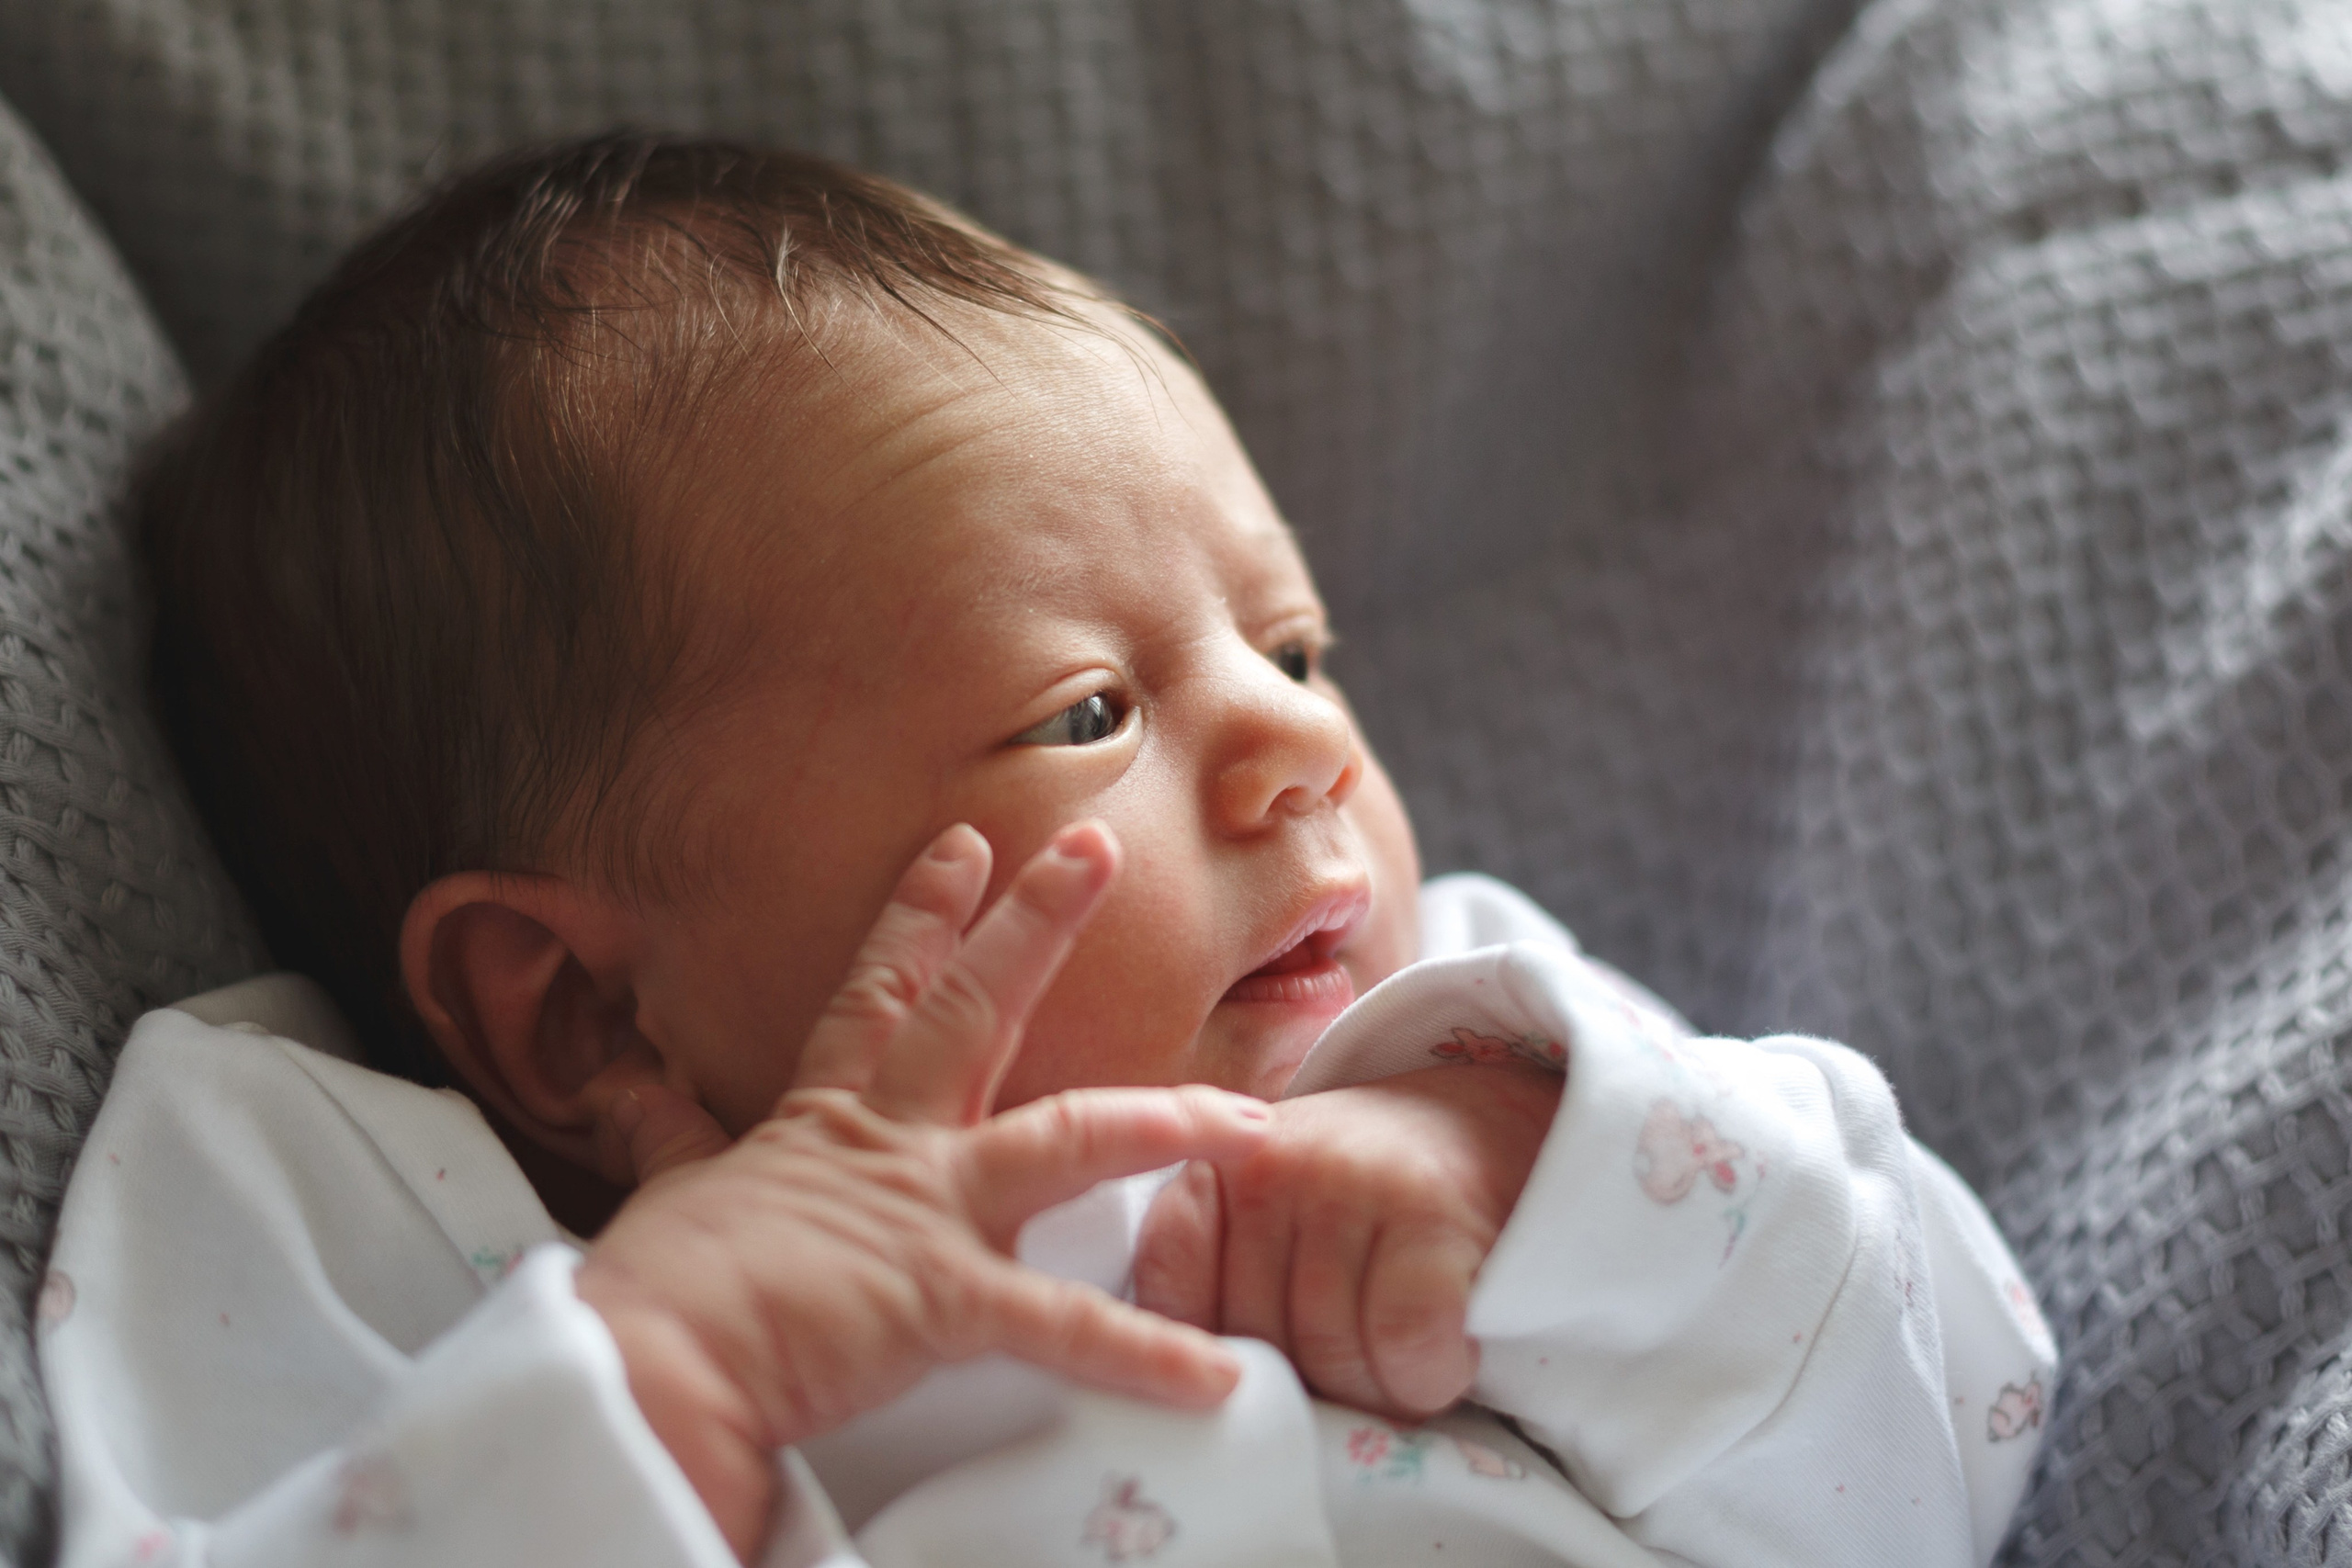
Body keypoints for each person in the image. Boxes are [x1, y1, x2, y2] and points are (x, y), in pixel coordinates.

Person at [43, 133, 2054, 1568]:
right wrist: (667, 1368)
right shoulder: (333, 1203)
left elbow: (1953, 1449)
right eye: (1085, 711)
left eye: (1290, 645)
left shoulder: (1470, 1054)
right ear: (579, 1008)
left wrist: (1558, 1210)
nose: (1299, 741)